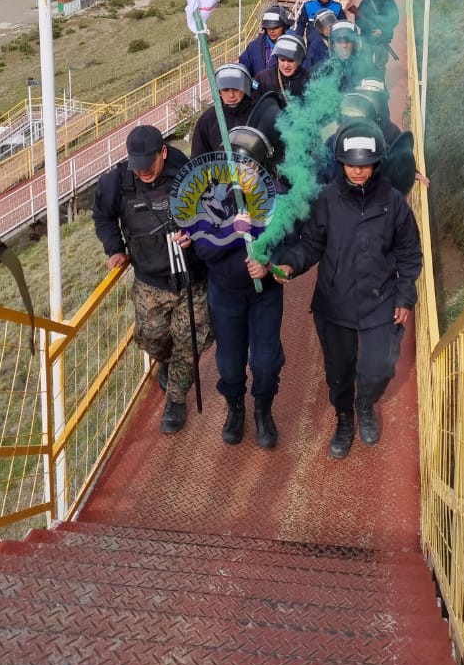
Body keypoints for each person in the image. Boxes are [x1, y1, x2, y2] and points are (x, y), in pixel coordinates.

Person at [249, 122, 422, 460]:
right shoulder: (327, 199)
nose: (358, 171)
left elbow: (410, 253)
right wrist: (288, 265)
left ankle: (365, 404)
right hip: (335, 303)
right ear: (340, 162)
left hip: (380, 300)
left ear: (377, 163)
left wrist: (405, 295)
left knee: (380, 368)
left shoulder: (393, 202)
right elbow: (310, 244)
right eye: (351, 164)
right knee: (339, 372)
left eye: (365, 164)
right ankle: (344, 419)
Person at [93, 124, 211, 434]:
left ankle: (175, 399)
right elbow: (102, 215)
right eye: (137, 165)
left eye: (149, 164)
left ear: (163, 152)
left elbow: (215, 217)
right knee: (151, 337)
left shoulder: (190, 175)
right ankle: (165, 361)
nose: (143, 171)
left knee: (190, 343)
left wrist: (196, 236)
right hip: (149, 279)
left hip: (191, 278)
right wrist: (115, 248)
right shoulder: (117, 181)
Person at [177, 128, 285, 450]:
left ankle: (263, 410)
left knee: (265, 362)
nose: (240, 174)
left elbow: (288, 247)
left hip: (264, 294)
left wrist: (269, 265)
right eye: (233, 166)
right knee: (229, 361)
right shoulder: (210, 198)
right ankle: (235, 408)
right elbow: (204, 251)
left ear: (261, 167)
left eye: (247, 167)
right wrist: (235, 231)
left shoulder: (276, 199)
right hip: (225, 292)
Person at [191, 64, 253, 158]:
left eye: (236, 89)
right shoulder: (207, 120)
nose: (231, 95)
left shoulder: (258, 112)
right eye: (225, 90)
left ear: (245, 87)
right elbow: (198, 160)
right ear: (219, 91)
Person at [349, 0, 400, 72]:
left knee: (380, 65)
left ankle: (380, 84)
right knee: (365, 63)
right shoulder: (366, 1)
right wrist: (369, 29)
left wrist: (382, 31)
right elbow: (358, 19)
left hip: (383, 39)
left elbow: (394, 20)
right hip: (367, 38)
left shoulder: (390, 3)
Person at [239, 5, 290, 78]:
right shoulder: (254, 47)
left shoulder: (293, 47)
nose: (272, 31)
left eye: (275, 27)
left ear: (284, 26)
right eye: (268, 27)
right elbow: (243, 67)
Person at [254, 33, 310, 100]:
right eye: (282, 60)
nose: (286, 66)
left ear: (300, 60)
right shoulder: (261, 79)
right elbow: (252, 101)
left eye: (290, 61)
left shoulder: (309, 80)